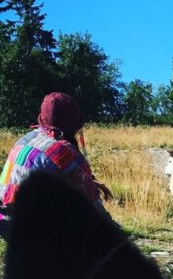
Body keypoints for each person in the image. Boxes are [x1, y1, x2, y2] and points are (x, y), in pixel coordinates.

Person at [0, 92, 112, 239]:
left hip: (6, 224)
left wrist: (91, 181)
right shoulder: (66, 152)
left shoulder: (25, 139)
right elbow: (93, 207)